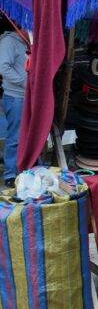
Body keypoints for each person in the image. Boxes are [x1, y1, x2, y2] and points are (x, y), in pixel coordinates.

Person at [0, 25, 27, 188]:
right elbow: (3, 67)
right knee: (15, 136)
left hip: (28, 96)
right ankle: (10, 173)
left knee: (29, 134)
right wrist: (24, 83)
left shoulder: (27, 43)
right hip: (15, 96)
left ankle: (25, 168)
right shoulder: (9, 41)